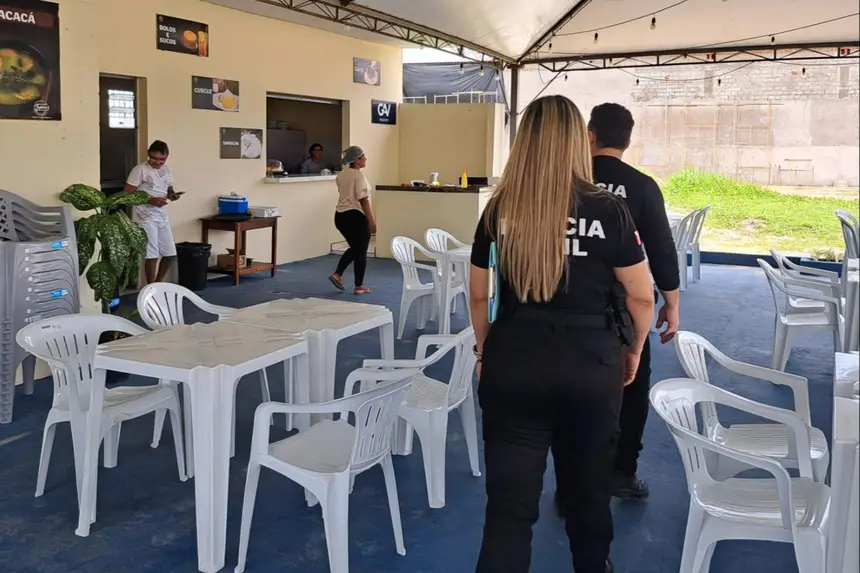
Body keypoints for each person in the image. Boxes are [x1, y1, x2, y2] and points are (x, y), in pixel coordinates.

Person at [469, 95, 655, 573]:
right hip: (591, 365)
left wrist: (487, 349)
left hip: (514, 361)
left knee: (508, 511)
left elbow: (477, 294)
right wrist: (631, 351)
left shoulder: (500, 208)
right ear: (578, 140)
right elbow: (640, 297)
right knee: (588, 494)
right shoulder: (608, 209)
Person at [588, 102, 681, 499]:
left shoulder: (566, 181)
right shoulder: (642, 186)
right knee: (632, 387)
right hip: (629, 311)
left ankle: (576, 479)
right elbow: (661, 249)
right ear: (628, 140)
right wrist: (671, 303)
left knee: (580, 396)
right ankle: (622, 473)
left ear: (590, 136)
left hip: (575, 306)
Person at [125, 140, 184, 284]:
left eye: (161, 159)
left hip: (162, 215)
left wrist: (172, 195)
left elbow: (169, 188)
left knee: (170, 253)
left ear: (167, 157)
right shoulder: (140, 170)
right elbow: (127, 193)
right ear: (148, 154)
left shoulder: (166, 170)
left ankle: (158, 284)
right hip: (144, 215)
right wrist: (149, 200)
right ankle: (150, 287)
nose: (157, 162)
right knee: (152, 254)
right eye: (154, 158)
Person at [329, 146, 376, 295]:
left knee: (356, 248)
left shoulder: (341, 175)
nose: (365, 159)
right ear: (357, 160)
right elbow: (363, 200)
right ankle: (356, 285)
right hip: (355, 216)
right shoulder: (358, 176)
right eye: (363, 157)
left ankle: (340, 275)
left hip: (340, 216)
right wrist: (371, 221)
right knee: (360, 250)